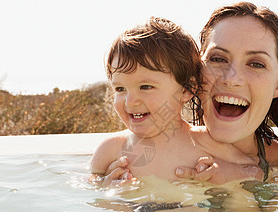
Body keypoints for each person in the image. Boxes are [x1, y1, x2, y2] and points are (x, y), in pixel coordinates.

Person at [89, 16, 261, 185]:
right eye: (120, 89)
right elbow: (90, 189)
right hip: (137, 211)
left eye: (146, 87)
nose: (130, 101)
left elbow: (256, 172)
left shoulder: (206, 143)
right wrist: (105, 186)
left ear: (186, 89)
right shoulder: (111, 150)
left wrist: (228, 173)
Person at [175, 1, 278, 182]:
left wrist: (244, 179)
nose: (231, 79)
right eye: (218, 59)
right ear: (197, 71)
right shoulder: (146, 150)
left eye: (256, 64)